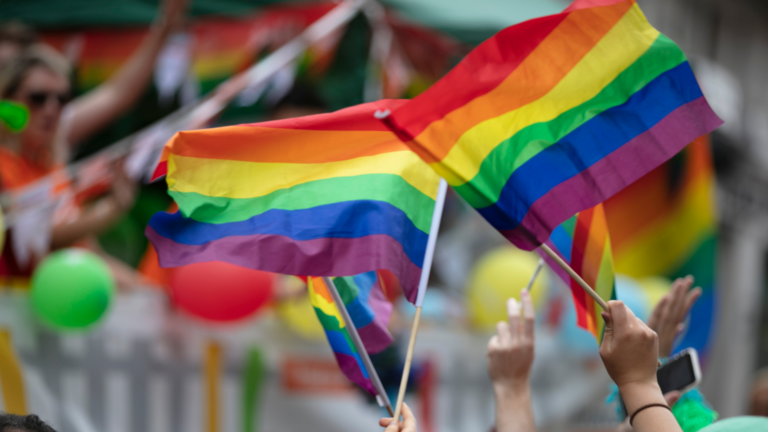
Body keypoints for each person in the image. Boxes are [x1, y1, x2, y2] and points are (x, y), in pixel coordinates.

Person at [0, 0, 187, 288]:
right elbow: (42, 237)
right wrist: (109, 210)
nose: (51, 109)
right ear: (8, 99)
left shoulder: (51, 159)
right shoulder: (8, 164)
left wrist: (147, 293)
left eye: (62, 99)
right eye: (38, 98)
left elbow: (116, 94)